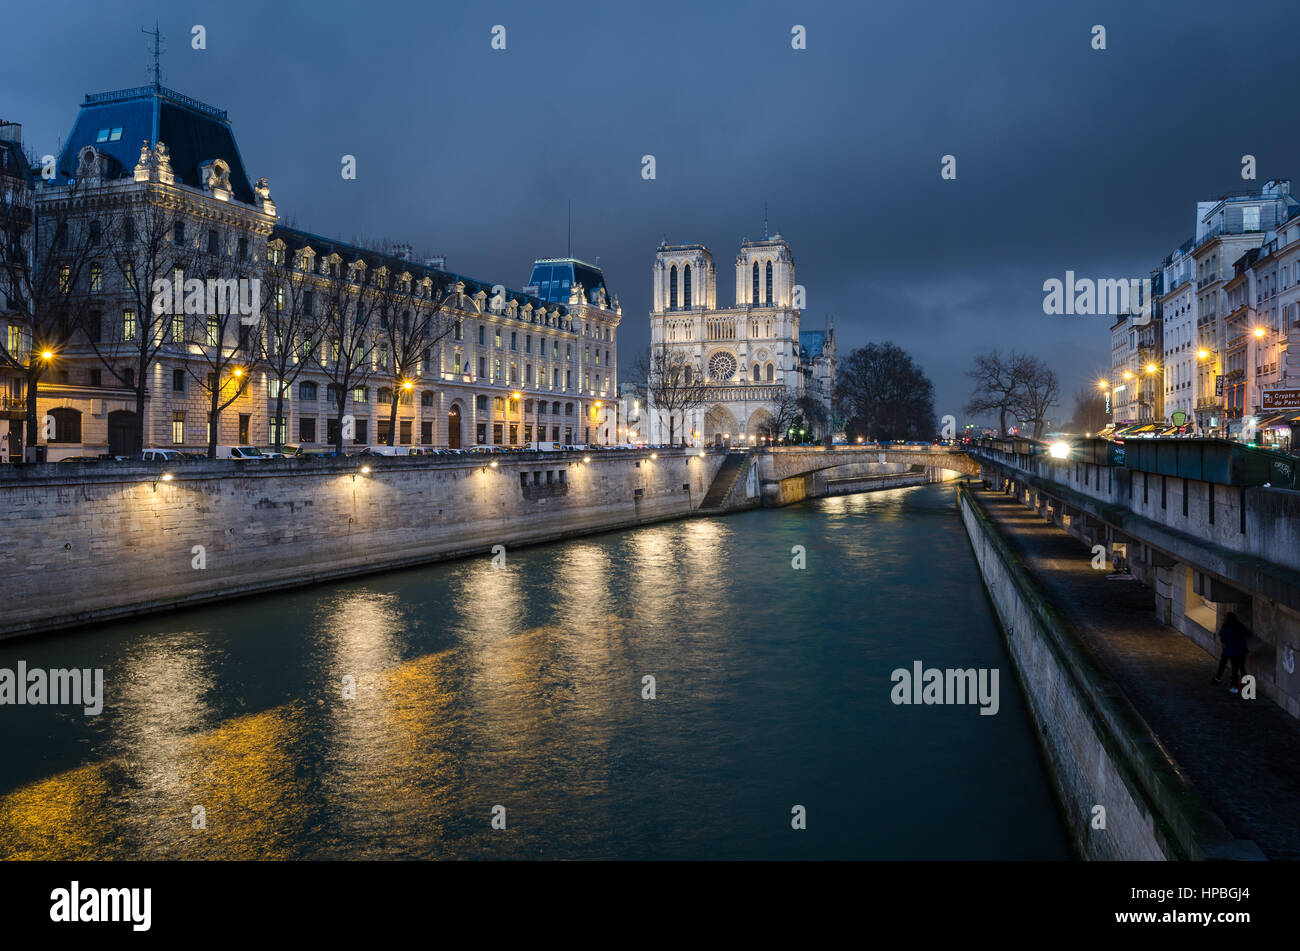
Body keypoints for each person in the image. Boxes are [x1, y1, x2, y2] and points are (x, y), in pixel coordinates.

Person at [1212, 612, 1250, 691]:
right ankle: (1247, 684)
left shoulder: (1225, 627)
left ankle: (1226, 682)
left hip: (1230, 650)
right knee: (1241, 668)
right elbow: (1248, 634)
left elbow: (1223, 638)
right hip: (1241, 650)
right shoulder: (1240, 625)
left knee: (1224, 664)